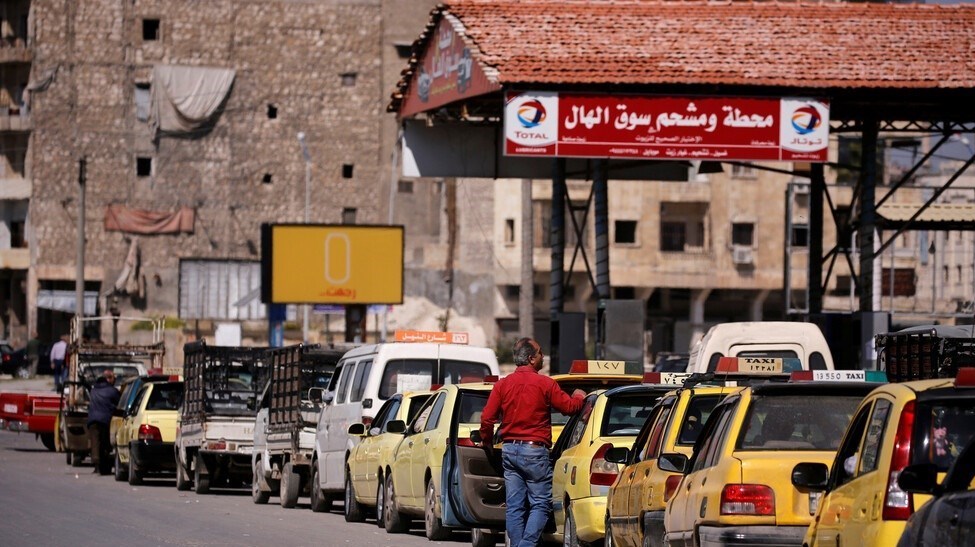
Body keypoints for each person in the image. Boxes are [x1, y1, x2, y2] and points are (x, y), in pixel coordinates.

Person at [479, 338, 586, 547]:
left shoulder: (503, 385)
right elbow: (570, 408)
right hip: (534, 451)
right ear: (531, 358)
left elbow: (486, 419)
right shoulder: (545, 384)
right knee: (540, 504)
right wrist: (580, 397)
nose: (543, 355)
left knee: (515, 506)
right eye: (540, 352)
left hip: (509, 450)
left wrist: (487, 442)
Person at [87, 370, 120, 475]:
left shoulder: (93, 390)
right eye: (114, 379)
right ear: (109, 379)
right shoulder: (112, 391)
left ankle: (97, 466)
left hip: (93, 420)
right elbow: (119, 403)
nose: (115, 381)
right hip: (106, 420)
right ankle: (105, 466)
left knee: (95, 443)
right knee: (105, 443)